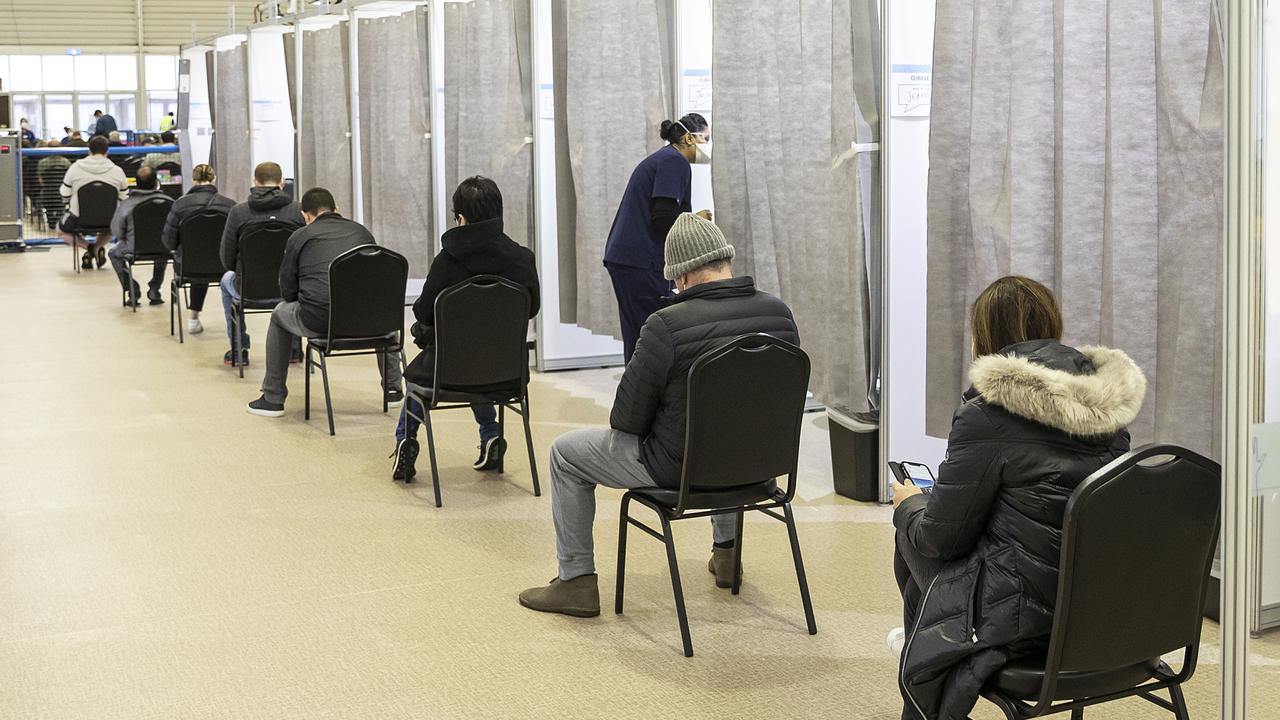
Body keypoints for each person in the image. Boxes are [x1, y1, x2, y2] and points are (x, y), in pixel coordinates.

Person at [889, 276, 1145, 720]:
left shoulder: (986, 415)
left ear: (984, 338)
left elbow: (939, 541)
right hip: (1097, 605)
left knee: (910, 538)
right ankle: (927, 648)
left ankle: (928, 655)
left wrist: (907, 504)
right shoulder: (1106, 408)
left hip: (1026, 616)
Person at [518, 213, 798, 617]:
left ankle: (576, 582)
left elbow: (625, 420)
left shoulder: (665, 325)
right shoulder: (780, 315)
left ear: (681, 278)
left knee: (565, 454)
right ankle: (727, 557)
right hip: (761, 467)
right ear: (725, 261)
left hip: (680, 471)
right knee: (732, 429)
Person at [391, 176, 541, 481]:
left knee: (420, 382)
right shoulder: (523, 258)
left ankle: (406, 439)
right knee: (479, 363)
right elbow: (532, 308)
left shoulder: (447, 260)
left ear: (460, 218)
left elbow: (423, 312)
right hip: (507, 372)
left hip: (448, 372)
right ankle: (490, 434)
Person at [245, 187, 403, 417]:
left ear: (305, 215)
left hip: (322, 322)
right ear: (336, 209)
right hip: (369, 323)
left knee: (279, 313)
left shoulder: (300, 236)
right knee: (382, 312)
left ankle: (273, 398)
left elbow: (287, 289)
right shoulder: (362, 232)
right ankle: (393, 389)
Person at [604, 113, 713, 363]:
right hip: (639, 260)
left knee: (640, 333)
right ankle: (642, 397)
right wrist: (697, 219)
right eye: (705, 139)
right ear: (688, 138)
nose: (707, 146)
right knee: (649, 336)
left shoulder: (663, 159)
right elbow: (663, 216)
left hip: (630, 258)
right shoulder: (674, 162)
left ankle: (638, 396)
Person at [219, 161, 305, 366]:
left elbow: (226, 258)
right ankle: (293, 349)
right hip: (288, 290)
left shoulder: (239, 212)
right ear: (282, 182)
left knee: (225, 280)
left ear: (254, 182)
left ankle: (239, 350)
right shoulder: (298, 210)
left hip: (249, 289)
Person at [159, 164, 235, 333]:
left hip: (188, 266)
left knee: (197, 258)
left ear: (193, 180)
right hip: (224, 267)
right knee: (209, 258)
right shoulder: (230, 205)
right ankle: (233, 322)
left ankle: (193, 320)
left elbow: (168, 241)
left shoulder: (179, 205)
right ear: (213, 178)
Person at [59, 134, 129, 270]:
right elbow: (124, 197)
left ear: (89, 150)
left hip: (79, 218)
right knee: (110, 229)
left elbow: (64, 193)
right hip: (109, 220)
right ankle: (97, 247)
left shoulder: (75, 168)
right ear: (107, 151)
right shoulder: (117, 171)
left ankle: (90, 249)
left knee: (61, 231)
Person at [105, 166, 172, 305]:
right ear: (156, 182)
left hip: (134, 247)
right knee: (163, 250)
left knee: (113, 253)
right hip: (164, 246)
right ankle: (155, 289)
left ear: (136, 182)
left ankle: (132, 289)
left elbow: (116, 231)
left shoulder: (127, 205)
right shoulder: (170, 202)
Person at [36, 143, 72, 230]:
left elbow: (41, 181)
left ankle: (51, 220)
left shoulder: (42, 163)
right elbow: (69, 180)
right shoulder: (66, 162)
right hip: (63, 194)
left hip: (47, 194)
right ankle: (60, 219)